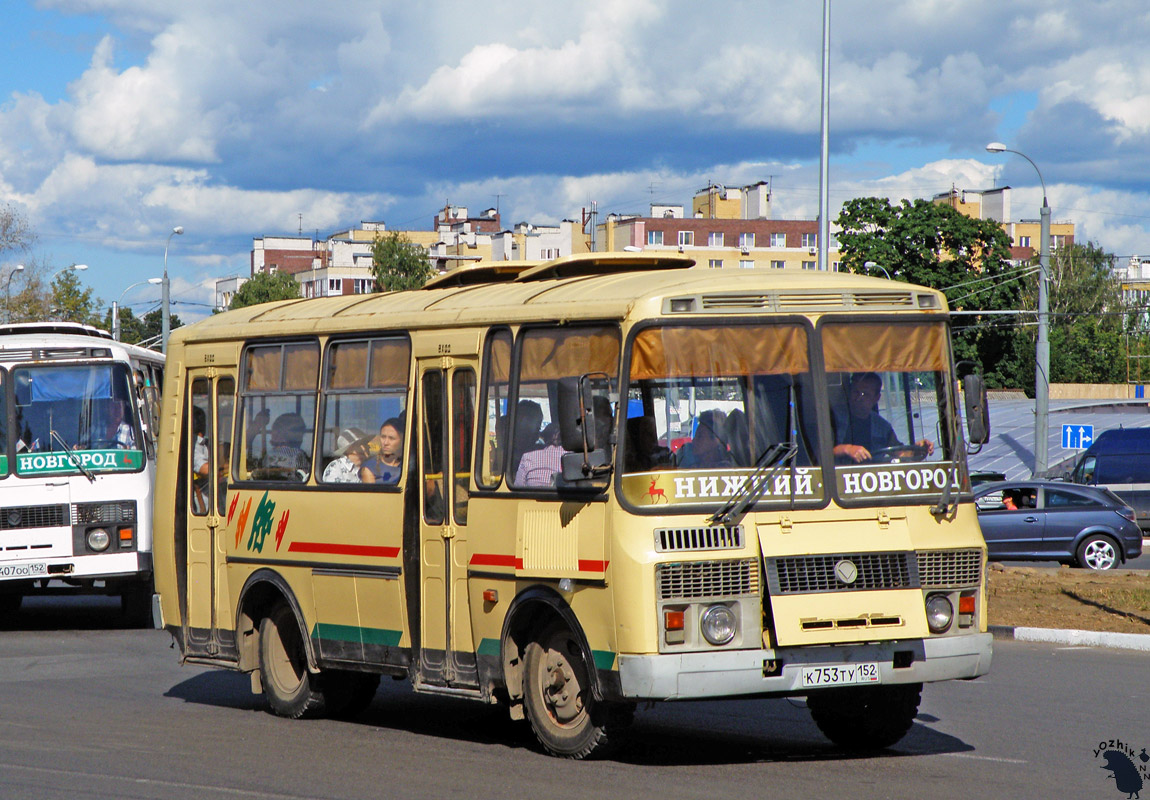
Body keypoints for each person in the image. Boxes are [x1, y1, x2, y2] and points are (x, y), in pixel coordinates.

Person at [832, 372, 934, 464]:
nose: (859, 398)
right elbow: (821, 453)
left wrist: (919, 449)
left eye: (865, 394)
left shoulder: (882, 427)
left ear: (877, 398)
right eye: (856, 392)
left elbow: (901, 454)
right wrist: (848, 449)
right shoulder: (833, 418)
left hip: (874, 477)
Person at [515, 422, 565, 487]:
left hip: (532, 496)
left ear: (545, 438)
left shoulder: (528, 457)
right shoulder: (571, 457)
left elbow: (518, 486)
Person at [361, 418, 403, 484]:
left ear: (402, 441)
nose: (385, 443)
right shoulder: (369, 467)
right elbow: (371, 493)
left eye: (391, 438)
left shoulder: (407, 465)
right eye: (383, 437)